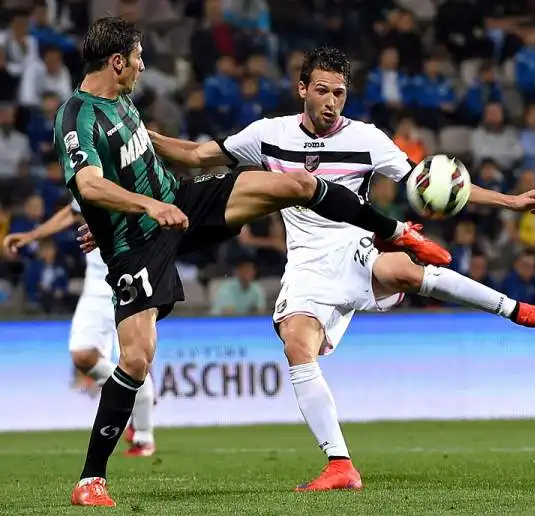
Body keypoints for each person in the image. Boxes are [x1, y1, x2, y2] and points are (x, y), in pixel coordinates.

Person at [148, 46, 535, 492]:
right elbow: (197, 156)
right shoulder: (267, 135)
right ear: (302, 90)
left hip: (355, 247)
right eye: (322, 91)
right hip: (308, 265)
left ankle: (520, 310)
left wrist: (509, 201)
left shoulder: (368, 139)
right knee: (297, 345)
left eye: (339, 92)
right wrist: (147, 138)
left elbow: (432, 183)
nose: (331, 102)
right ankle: (340, 465)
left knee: (406, 271)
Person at [56, 18, 444, 508]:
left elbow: (130, 170)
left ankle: (395, 231)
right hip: (138, 241)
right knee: (137, 357)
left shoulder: (123, 104)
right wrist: (138, 209)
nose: (142, 65)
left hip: (181, 202)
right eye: (137, 58)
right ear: (118, 62)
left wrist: (135, 203)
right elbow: (88, 183)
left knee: (298, 183)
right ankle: (91, 479)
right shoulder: (77, 116)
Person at [3, 201, 156, 457]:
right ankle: (139, 392)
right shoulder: (89, 171)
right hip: (96, 284)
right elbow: (72, 212)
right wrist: (31, 235)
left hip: (129, 279)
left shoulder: (135, 173)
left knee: (135, 355)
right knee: (82, 353)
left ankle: (143, 435)